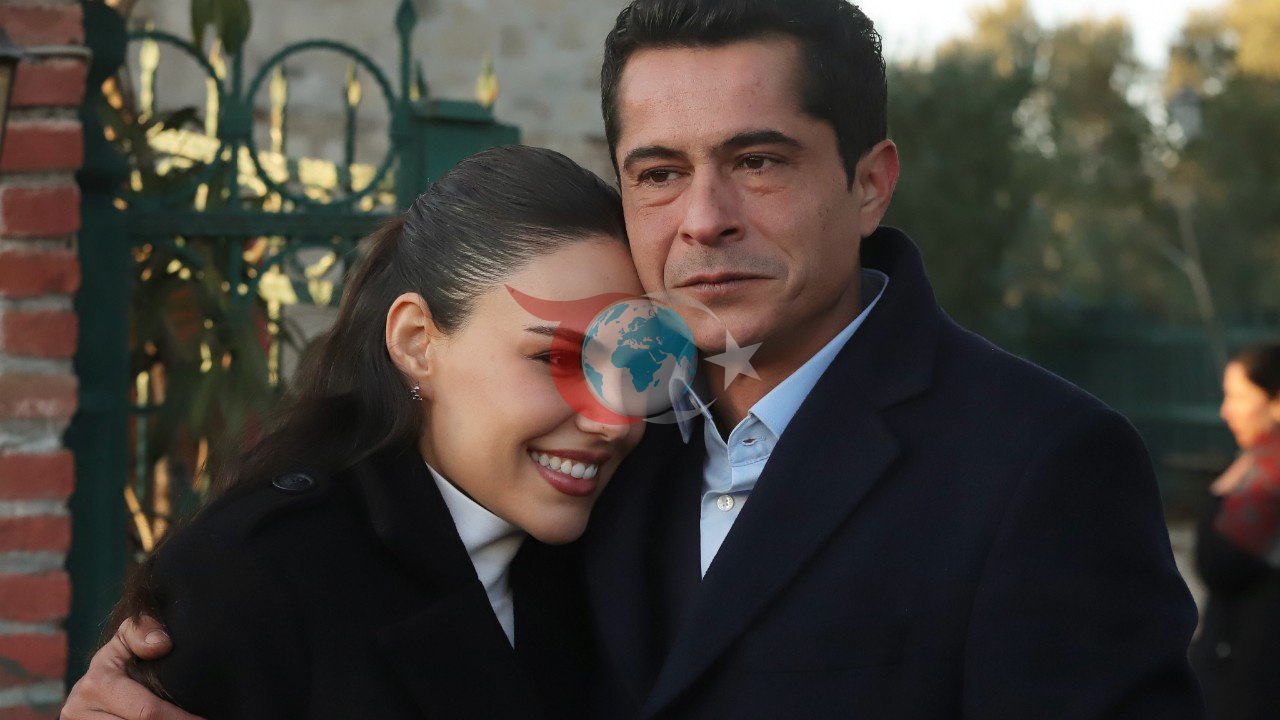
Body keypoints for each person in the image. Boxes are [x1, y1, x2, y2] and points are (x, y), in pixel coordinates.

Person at [64, 1, 1205, 718]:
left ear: (868, 182)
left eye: (757, 161)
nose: (702, 218)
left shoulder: (1039, 466)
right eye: (658, 173)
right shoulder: (604, 449)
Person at [68, 145, 645, 719]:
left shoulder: (629, 550)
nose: (611, 420)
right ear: (416, 342)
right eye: (555, 359)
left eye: (632, 368)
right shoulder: (255, 575)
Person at [1191, 343, 1280, 719]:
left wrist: (1224, 490)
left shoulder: (1267, 478)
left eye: (1240, 397)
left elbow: (1221, 561)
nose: (1226, 411)